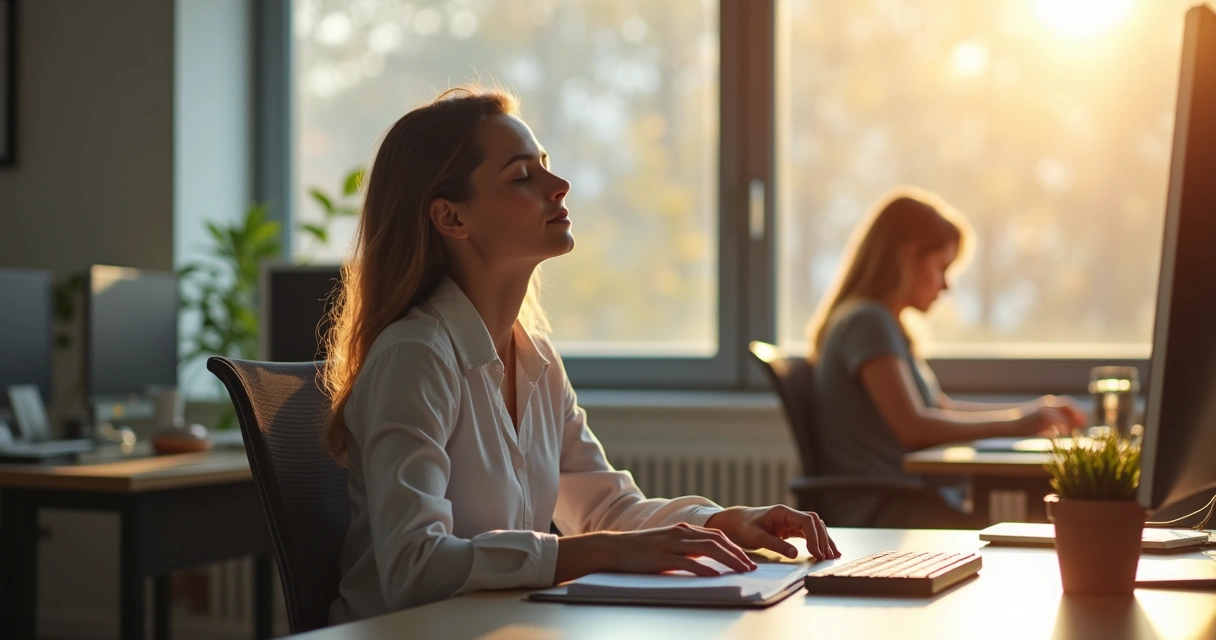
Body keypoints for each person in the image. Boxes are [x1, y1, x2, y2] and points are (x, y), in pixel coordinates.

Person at [321, 86, 841, 623]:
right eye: (523, 176)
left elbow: (605, 510)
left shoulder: (536, 358)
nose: (560, 185)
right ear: (452, 218)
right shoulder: (415, 356)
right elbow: (414, 567)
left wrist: (720, 521)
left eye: (545, 165)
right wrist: (601, 552)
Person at [805, 188, 1086, 527]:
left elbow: (939, 408)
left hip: (907, 501)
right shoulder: (868, 323)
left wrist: (1029, 413)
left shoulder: (881, 324)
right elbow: (914, 427)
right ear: (908, 258)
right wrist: (1018, 423)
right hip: (889, 511)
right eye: (941, 267)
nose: (946, 286)